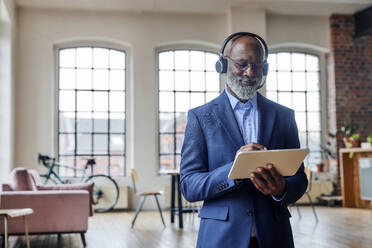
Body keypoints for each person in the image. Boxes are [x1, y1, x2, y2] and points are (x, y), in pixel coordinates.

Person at [179, 32, 308, 248]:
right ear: (222, 65)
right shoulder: (200, 118)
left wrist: (280, 189)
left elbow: (300, 179)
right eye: (241, 64)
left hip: (274, 236)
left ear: (265, 68)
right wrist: (235, 171)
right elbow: (189, 186)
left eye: (257, 66)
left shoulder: (284, 116)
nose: (250, 72)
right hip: (220, 238)